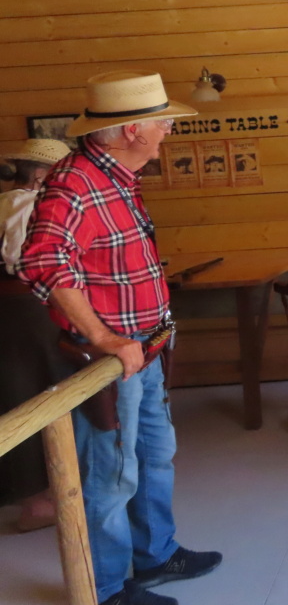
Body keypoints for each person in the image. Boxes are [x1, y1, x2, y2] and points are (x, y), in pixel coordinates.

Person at [18, 71, 222, 605]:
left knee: (155, 455)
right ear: (132, 130)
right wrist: (104, 338)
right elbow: (41, 260)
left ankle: (155, 554)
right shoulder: (77, 181)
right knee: (110, 476)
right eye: (162, 122)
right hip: (112, 357)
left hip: (143, 350)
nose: (168, 132)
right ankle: (107, 590)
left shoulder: (115, 176)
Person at [0, 138, 70, 532]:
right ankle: (37, 501)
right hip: (26, 312)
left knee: (19, 393)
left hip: (15, 313)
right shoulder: (26, 206)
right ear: (42, 175)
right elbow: (22, 262)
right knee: (32, 393)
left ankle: (39, 495)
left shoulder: (6, 202)